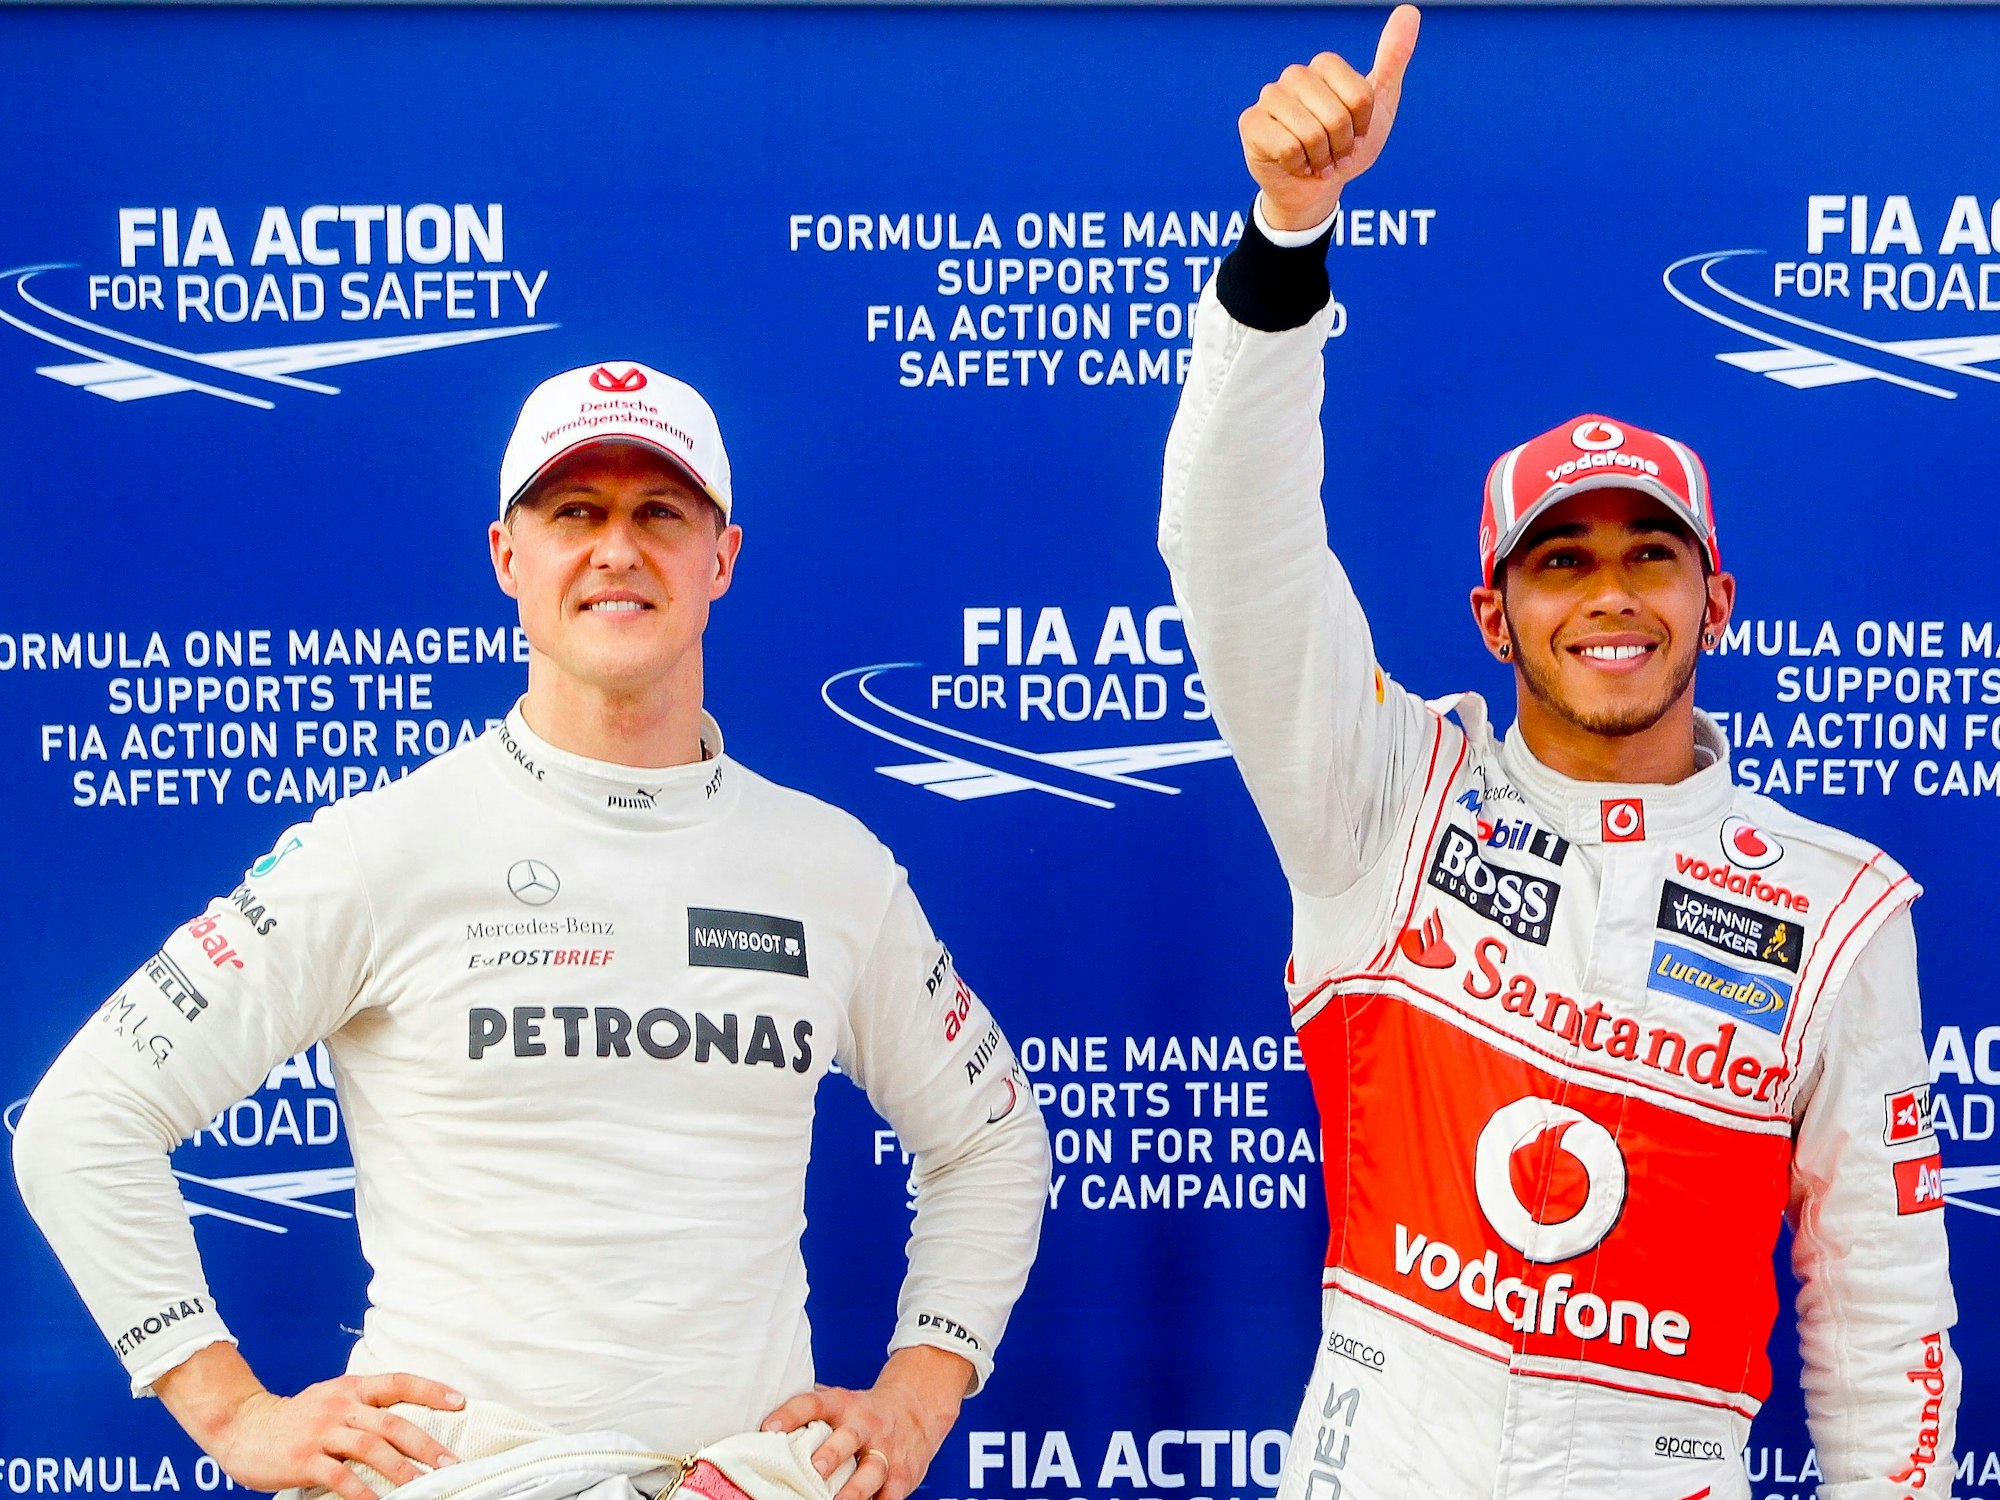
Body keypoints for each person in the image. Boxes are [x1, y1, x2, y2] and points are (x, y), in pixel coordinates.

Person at [1159, 9, 1957, 1496]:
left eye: (1650, 557)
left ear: (1713, 601)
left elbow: (1882, 1313)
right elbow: (1232, 545)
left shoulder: (1835, 907)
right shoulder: (1383, 798)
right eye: (1558, 560)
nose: (1607, 594)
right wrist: (1286, 238)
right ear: (1492, 613)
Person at [14, 360, 1050, 1500]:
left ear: (723, 559)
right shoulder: (383, 848)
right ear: (509, 557)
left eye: (659, 512)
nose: (617, 549)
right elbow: (82, 1119)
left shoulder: (830, 867)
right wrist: (230, 1413)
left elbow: (990, 1139)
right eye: (575, 514)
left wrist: (919, 1391)